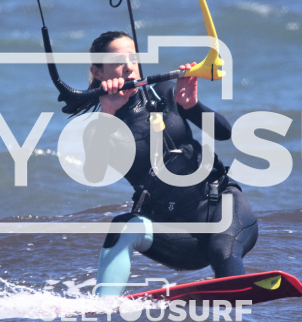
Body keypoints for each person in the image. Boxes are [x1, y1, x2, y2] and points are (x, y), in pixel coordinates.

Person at [71, 31, 258, 296]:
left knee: (222, 250)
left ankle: (235, 303)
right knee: (123, 226)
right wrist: (108, 113)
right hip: (180, 236)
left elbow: (224, 133)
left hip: (221, 208)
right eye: (118, 62)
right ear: (97, 72)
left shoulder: (165, 92)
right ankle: (102, 307)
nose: (129, 67)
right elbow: (94, 173)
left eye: (133, 58)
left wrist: (191, 106)